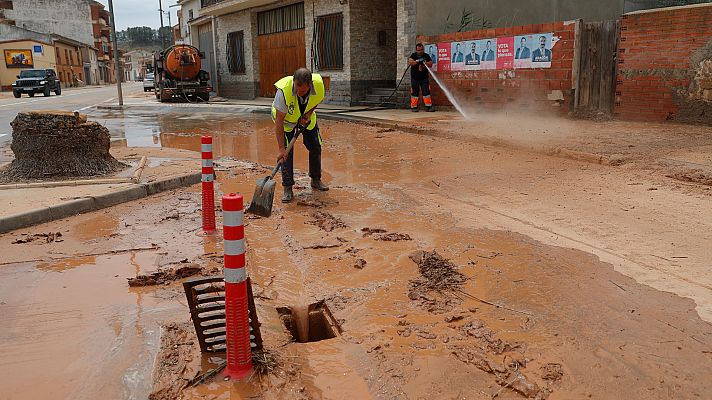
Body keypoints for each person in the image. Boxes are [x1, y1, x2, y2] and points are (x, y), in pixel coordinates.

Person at [271, 67, 329, 203]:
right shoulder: (283, 92)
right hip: (286, 122)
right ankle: (287, 187)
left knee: (315, 146)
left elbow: (317, 100)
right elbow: (279, 123)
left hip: (306, 118)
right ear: (294, 81)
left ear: (310, 85)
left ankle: (316, 179)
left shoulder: (319, 85)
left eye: (302, 90)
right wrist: (281, 149)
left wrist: (308, 114)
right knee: (287, 154)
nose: (298, 92)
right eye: (296, 88)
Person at [408, 43, 434, 113]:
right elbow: (410, 62)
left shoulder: (426, 56)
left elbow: (431, 64)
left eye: (422, 50)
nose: (420, 51)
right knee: (414, 93)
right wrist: (417, 61)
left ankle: (428, 106)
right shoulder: (413, 55)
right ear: (416, 50)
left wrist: (425, 63)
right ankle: (414, 107)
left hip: (424, 78)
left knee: (426, 92)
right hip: (415, 78)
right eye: (418, 50)